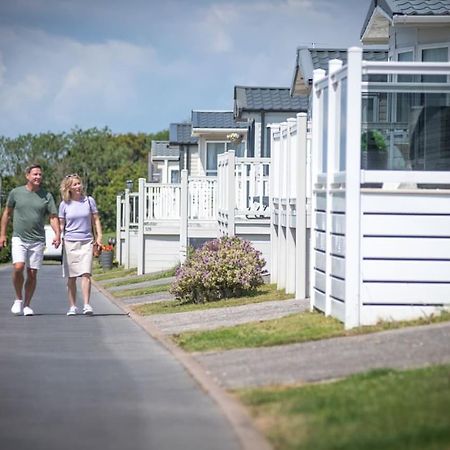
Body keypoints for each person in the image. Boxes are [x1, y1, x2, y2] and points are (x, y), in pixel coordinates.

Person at [0, 164, 61, 316]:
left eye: (40, 174)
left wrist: (57, 234)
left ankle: (27, 305)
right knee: (18, 267)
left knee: (32, 273)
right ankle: (18, 299)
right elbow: (7, 214)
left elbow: (53, 217)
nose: (38, 177)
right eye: (35, 174)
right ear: (27, 176)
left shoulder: (46, 196)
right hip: (19, 237)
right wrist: (2, 234)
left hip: (38, 239)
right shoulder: (16, 193)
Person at [59, 174, 102, 316]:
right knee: (71, 277)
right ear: (68, 187)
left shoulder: (89, 201)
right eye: (74, 184)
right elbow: (61, 224)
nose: (78, 187)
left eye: (79, 184)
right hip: (70, 242)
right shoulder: (64, 204)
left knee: (86, 274)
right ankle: (72, 306)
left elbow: (96, 219)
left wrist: (99, 236)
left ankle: (86, 304)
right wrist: (58, 237)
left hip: (87, 241)